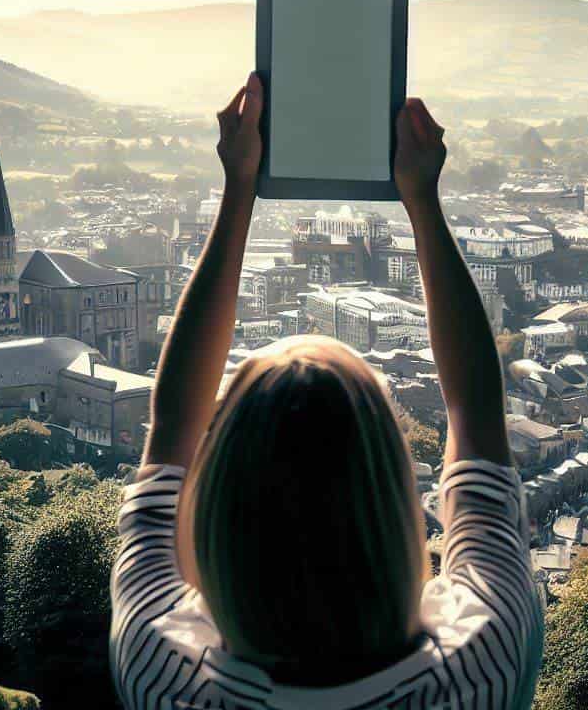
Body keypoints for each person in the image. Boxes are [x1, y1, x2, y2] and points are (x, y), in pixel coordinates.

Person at [110, 72, 545, 709]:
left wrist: (239, 190)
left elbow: (172, 431)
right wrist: (422, 199)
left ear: (219, 516)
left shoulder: (165, 679)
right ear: (395, 499)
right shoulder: (483, 668)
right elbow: (476, 416)